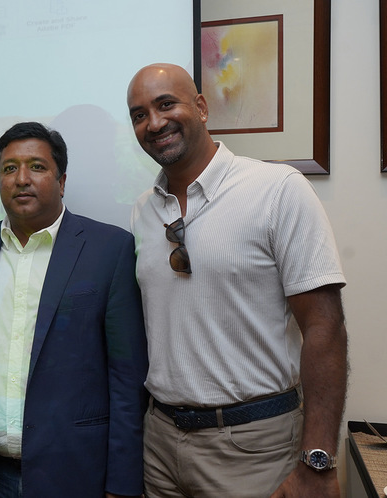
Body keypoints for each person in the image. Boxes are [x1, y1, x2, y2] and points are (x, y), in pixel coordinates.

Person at [126, 63, 348, 498]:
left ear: (202, 107)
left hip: (253, 448)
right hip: (159, 446)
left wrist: (318, 460)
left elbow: (325, 329)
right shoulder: (140, 211)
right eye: (139, 114)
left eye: (166, 104)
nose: (154, 123)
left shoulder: (277, 189)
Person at [0, 121, 148, 497]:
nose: (22, 178)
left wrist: (122, 483)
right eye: (9, 169)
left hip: (76, 472)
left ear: (62, 180)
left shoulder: (109, 249)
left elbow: (127, 379)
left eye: (37, 167)